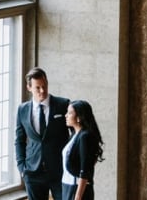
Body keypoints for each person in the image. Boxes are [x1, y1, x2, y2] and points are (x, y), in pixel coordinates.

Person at [14, 68, 71, 200]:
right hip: (33, 172)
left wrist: (71, 164)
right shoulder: (22, 110)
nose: (42, 91)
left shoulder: (63, 104)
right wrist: (22, 167)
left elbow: (74, 135)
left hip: (59, 170)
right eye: (37, 88)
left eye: (44, 86)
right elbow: (19, 140)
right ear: (29, 87)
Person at [60, 100, 105, 200]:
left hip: (76, 188)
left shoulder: (85, 136)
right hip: (67, 185)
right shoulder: (74, 135)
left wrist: (78, 196)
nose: (66, 115)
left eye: (70, 113)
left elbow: (85, 169)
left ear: (79, 117)